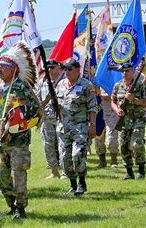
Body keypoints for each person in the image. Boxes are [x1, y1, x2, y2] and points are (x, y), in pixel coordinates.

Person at [0, 43, 40, 219]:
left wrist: (18, 111)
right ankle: (10, 205)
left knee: (17, 173)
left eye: (4, 67)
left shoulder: (22, 87)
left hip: (17, 140)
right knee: (3, 176)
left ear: (14, 69)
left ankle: (20, 208)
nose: (0, 69)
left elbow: (36, 109)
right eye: (0, 66)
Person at [56, 59, 97, 195]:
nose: (66, 72)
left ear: (77, 70)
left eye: (69, 69)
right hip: (63, 128)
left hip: (80, 127)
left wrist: (92, 125)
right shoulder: (60, 85)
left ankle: (82, 182)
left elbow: (92, 107)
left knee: (77, 154)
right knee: (64, 159)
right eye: (65, 69)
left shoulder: (86, 85)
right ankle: (73, 185)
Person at [111, 63, 146, 179]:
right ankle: (129, 171)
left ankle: (141, 169)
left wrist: (135, 100)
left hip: (138, 119)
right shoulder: (118, 85)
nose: (124, 73)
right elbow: (112, 101)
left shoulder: (140, 86)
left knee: (137, 144)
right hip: (123, 121)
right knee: (123, 146)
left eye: (127, 71)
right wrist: (117, 110)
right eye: (123, 71)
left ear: (133, 72)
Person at [36, 59, 64, 179]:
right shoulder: (43, 81)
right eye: (47, 68)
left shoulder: (64, 81)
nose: (49, 70)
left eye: (52, 67)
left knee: (62, 145)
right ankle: (53, 170)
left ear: (58, 67)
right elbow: (38, 96)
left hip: (61, 118)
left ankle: (65, 171)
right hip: (46, 118)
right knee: (48, 145)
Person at [95, 89, 119, 168]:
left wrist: (100, 94)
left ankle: (113, 160)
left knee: (111, 138)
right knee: (98, 139)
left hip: (111, 114)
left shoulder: (116, 83)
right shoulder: (96, 81)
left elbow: (113, 97)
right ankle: (102, 161)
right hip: (98, 113)